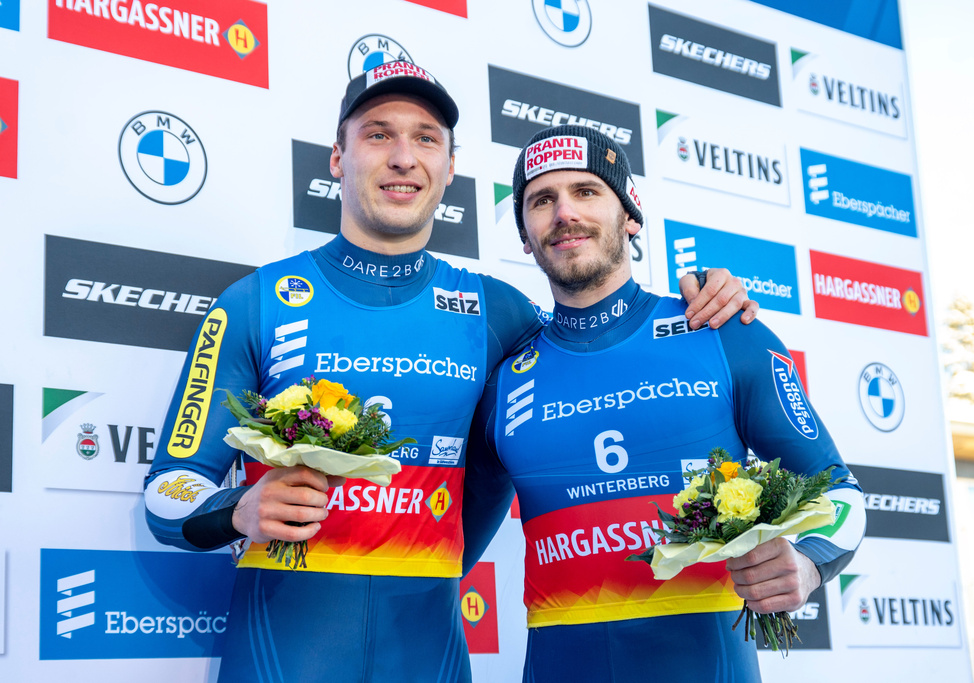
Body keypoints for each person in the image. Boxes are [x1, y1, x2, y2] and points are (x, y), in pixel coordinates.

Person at [143, 63, 754, 682]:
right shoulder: (256, 301)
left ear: (449, 169)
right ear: (337, 157)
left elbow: (600, 344)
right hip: (281, 654)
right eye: (378, 134)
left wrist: (711, 299)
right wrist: (238, 509)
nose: (404, 157)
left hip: (430, 654)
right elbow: (165, 493)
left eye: (427, 138)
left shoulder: (500, 313)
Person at [463, 124, 867, 682]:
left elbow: (837, 488)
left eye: (586, 192)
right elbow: (442, 552)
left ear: (630, 215)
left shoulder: (720, 328)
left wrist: (809, 561)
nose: (563, 213)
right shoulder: (503, 380)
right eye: (541, 200)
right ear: (526, 236)